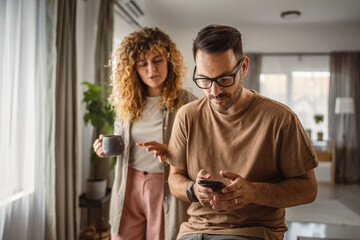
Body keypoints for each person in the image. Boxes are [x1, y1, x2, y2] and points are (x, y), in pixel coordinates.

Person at [167, 24, 319, 240]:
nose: (214, 91)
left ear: (244, 66)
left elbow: (309, 190)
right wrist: (193, 189)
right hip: (195, 231)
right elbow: (174, 179)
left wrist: (253, 192)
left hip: (253, 232)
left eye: (224, 79)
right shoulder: (187, 116)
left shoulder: (281, 119)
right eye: (204, 80)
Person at [92, 27, 197, 240]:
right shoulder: (127, 104)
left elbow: (202, 152)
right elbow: (121, 143)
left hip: (165, 186)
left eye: (157, 60)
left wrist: (172, 152)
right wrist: (103, 148)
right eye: (143, 64)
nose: (152, 69)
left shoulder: (188, 103)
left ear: (169, 60)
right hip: (128, 183)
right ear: (134, 69)